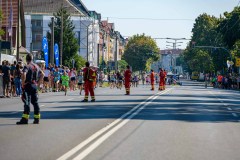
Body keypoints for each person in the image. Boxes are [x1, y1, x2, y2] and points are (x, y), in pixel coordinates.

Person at [16, 54, 43, 125]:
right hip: (34, 85)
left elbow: (24, 74)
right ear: (32, 58)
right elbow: (42, 74)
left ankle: (25, 119)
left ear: (26, 59)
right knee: (35, 102)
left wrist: (23, 83)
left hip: (28, 85)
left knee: (26, 102)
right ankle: (37, 119)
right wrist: (38, 84)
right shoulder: (36, 66)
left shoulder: (27, 66)